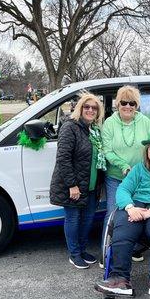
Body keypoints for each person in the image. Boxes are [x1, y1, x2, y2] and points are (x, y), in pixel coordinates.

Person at [95, 131, 150, 296]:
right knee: (123, 226)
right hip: (138, 205)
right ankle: (119, 278)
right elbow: (123, 189)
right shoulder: (138, 168)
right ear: (147, 150)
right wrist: (130, 207)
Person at [49, 92, 106, 269]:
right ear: (80, 108)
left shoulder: (95, 130)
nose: (90, 110)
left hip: (90, 185)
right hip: (74, 185)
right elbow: (63, 158)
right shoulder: (70, 127)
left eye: (94, 108)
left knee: (88, 219)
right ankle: (74, 255)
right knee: (73, 219)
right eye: (87, 107)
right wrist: (72, 185)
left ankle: (82, 250)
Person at [101, 85, 150, 264]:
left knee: (138, 211)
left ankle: (132, 248)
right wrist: (123, 165)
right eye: (124, 102)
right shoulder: (109, 123)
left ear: (136, 105)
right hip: (117, 176)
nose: (128, 106)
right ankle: (108, 252)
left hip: (141, 177)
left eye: (132, 103)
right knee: (114, 212)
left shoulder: (144, 121)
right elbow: (107, 151)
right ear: (118, 103)